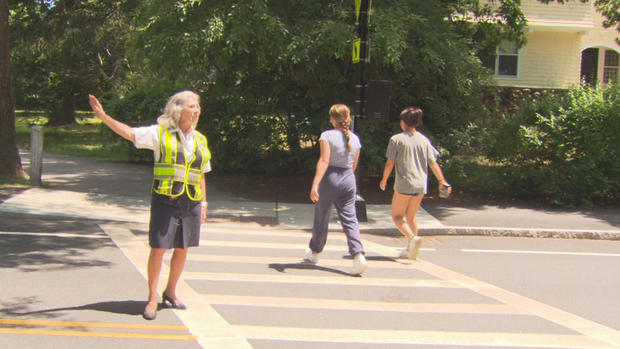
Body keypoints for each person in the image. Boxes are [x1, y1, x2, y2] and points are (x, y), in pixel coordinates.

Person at [88, 91, 211, 320]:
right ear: (178, 109)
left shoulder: (200, 139)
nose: (196, 111)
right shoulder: (160, 133)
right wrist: (103, 116)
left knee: (183, 249)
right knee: (159, 248)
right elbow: (130, 133)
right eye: (192, 107)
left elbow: (201, 172)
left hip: (191, 201)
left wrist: (203, 202)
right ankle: (152, 297)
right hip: (166, 199)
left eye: (197, 107)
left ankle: (171, 292)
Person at [379, 107, 451, 260]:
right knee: (411, 217)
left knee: (397, 217)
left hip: (404, 182)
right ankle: (411, 251)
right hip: (420, 184)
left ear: (403, 122)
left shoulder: (396, 139)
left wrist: (384, 180)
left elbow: (389, 163)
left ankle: (412, 239)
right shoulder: (424, 140)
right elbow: (433, 163)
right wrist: (441, 180)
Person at [304, 104, 367, 275]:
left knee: (322, 215)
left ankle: (315, 252)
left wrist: (315, 183)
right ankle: (358, 255)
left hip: (330, 177)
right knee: (350, 219)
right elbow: (354, 165)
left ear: (333, 119)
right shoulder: (355, 139)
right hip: (348, 178)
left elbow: (324, 160)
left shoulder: (327, 135)